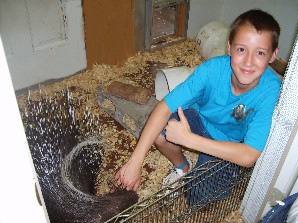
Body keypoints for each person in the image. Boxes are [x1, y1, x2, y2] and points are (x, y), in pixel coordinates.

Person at [114, 9, 281, 195]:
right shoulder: (211, 70)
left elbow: (249, 155)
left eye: (260, 53)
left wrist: (189, 140)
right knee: (161, 134)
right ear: (229, 48)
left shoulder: (272, 91)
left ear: (273, 55)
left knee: (197, 197)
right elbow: (163, 107)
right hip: (201, 119)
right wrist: (135, 162)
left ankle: (204, 175)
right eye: (241, 49)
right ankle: (182, 167)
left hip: (230, 142)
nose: (248, 62)